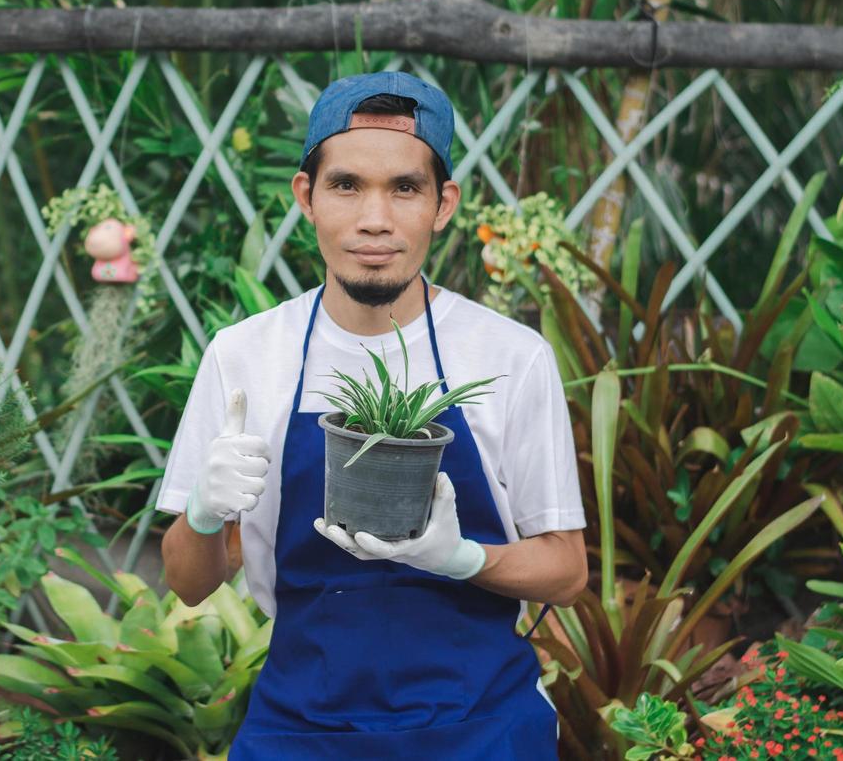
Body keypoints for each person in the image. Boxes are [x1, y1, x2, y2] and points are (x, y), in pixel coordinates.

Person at [157, 71, 588, 759]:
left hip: (480, 728)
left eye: (405, 189)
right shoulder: (245, 357)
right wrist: (205, 514)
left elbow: (566, 572)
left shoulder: (510, 356)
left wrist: (461, 557)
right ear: (307, 196)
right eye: (347, 185)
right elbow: (187, 580)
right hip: (299, 730)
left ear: (443, 204)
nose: (375, 220)